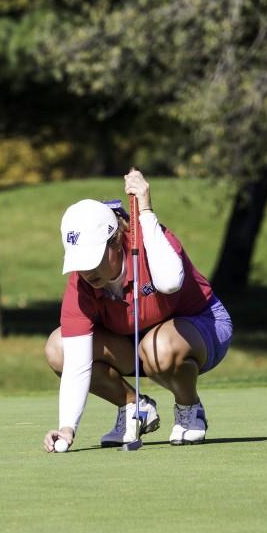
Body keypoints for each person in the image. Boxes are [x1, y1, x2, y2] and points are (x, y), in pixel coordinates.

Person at [43, 169, 232, 452]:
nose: (86, 271)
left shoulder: (150, 241)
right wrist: (67, 427)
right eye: (79, 262)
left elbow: (169, 283)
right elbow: (77, 361)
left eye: (92, 258)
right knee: (59, 348)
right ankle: (134, 408)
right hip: (136, 343)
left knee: (157, 346)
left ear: (116, 240)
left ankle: (189, 407)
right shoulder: (81, 285)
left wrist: (145, 208)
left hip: (200, 329)